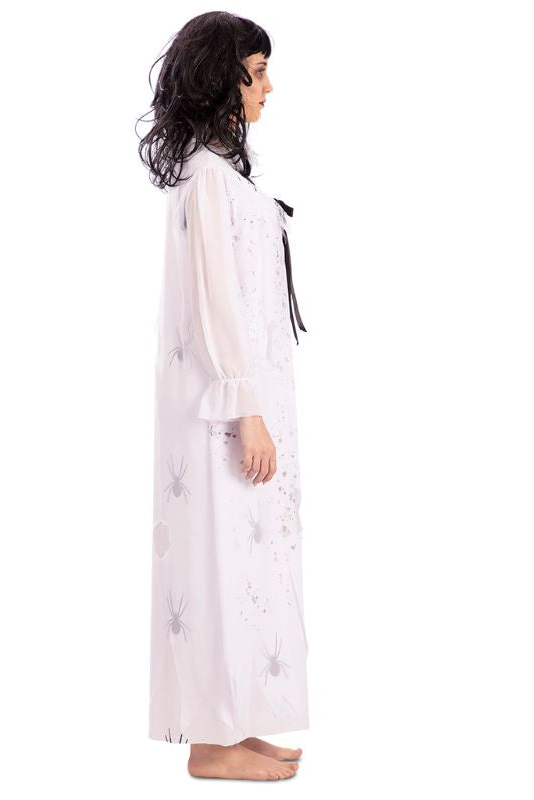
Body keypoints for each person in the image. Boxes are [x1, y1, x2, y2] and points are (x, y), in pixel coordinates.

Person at [137, 11, 310, 781]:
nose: (269, 87)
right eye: (258, 71)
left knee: (246, 560)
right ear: (223, 78)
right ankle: (211, 742)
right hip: (223, 412)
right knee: (217, 557)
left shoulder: (217, 174)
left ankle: (236, 723)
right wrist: (247, 408)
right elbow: (216, 302)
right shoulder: (206, 179)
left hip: (243, 404)